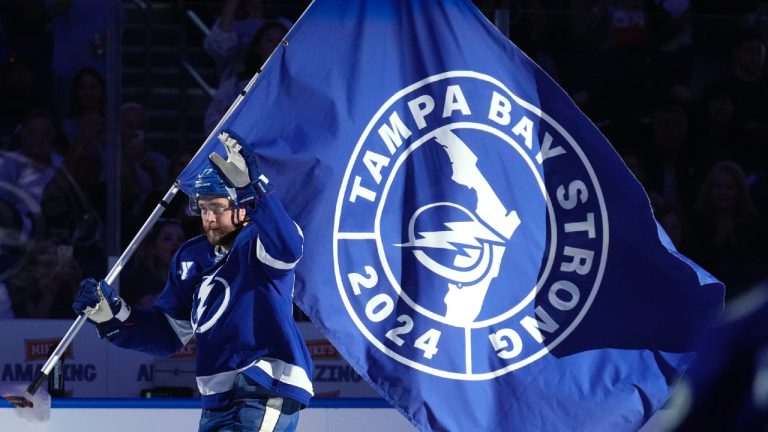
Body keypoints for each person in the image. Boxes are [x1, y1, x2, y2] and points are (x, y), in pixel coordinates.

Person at [73, 131, 313, 431]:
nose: (209, 217)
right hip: (217, 398)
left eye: (217, 207)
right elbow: (169, 334)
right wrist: (116, 319)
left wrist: (254, 188)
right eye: (202, 207)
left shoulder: (259, 239)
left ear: (241, 206)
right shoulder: (191, 256)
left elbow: (289, 247)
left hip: (264, 388)